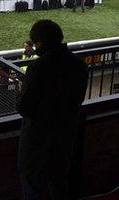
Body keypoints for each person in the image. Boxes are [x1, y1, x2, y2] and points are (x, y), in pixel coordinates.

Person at [17, 20, 88, 200]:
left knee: (32, 189)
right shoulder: (80, 65)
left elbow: (24, 107)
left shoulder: (37, 67)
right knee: (59, 185)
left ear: (40, 42)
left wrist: (21, 91)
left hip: (37, 143)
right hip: (65, 139)